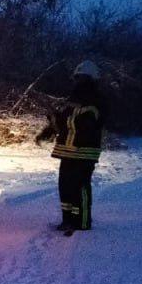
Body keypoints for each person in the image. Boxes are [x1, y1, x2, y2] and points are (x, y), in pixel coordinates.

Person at [36, 60, 107, 236]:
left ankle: (82, 222)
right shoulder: (72, 100)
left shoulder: (97, 101)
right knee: (65, 186)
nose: (78, 81)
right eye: (77, 78)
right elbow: (63, 122)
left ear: (90, 79)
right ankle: (67, 220)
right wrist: (48, 130)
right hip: (66, 151)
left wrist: (61, 123)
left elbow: (84, 125)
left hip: (84, 152)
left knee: (80, 186)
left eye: (82, 78)